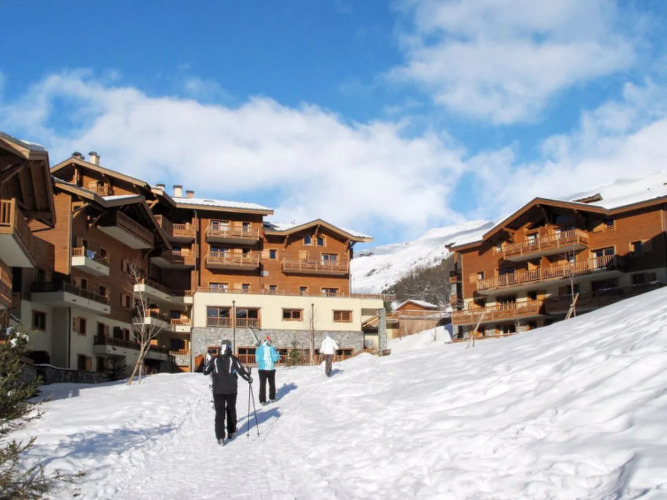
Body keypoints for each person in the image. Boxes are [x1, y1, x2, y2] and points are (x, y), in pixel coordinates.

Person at [202, 339, 252, 446]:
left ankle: (220, 437)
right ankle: (231, 431)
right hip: (231, 390)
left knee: (219, 412)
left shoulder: (215, 360)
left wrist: (207, 363)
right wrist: (249, 378)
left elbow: (205, 371)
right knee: (230, 410)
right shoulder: (233, 359)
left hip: (218, 391)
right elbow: (241, 371)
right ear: (230, 348)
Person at [255, 335, 281, 405]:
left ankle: (262, 401)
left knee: (262, 385)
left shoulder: (259, 348)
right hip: (270, 369)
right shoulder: (271, 348)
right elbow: (275, 359)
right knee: (271, 384)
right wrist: (277, 352)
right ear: (268, 341)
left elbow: (257, 359)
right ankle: (272, 398)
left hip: (262, 369)